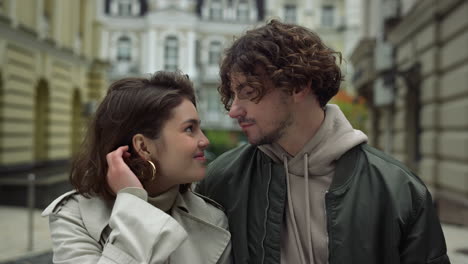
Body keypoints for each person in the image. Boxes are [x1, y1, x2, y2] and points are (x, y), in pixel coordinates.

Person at [196, 20, 449, 264]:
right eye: (234, 96)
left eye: (249, 92)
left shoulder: (398, 191)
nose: (234, 111)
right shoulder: (221, 182)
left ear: (298, 86)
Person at [42, 71, 232, 264]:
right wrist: (134, 204)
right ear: (143, 146)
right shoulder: (75, 216)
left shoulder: (212, 219)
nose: (205, 141)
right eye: (189, 129)